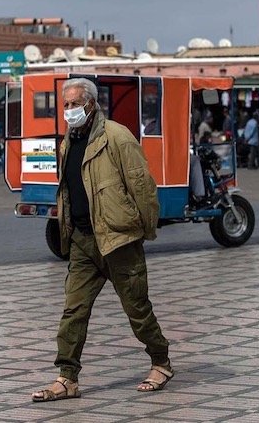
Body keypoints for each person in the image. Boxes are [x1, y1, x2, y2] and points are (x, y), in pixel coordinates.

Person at [32, 78, 171, 402]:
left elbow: (142, 186)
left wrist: (144, 229)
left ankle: (161, 362)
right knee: (73, 311)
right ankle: (67, 378)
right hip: (83, 241)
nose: (69, 110)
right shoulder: (68, 142)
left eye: (74, 104)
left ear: (91, 104)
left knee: (137, 309)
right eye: (65, 105)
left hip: (119, 240)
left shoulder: (117, 137)